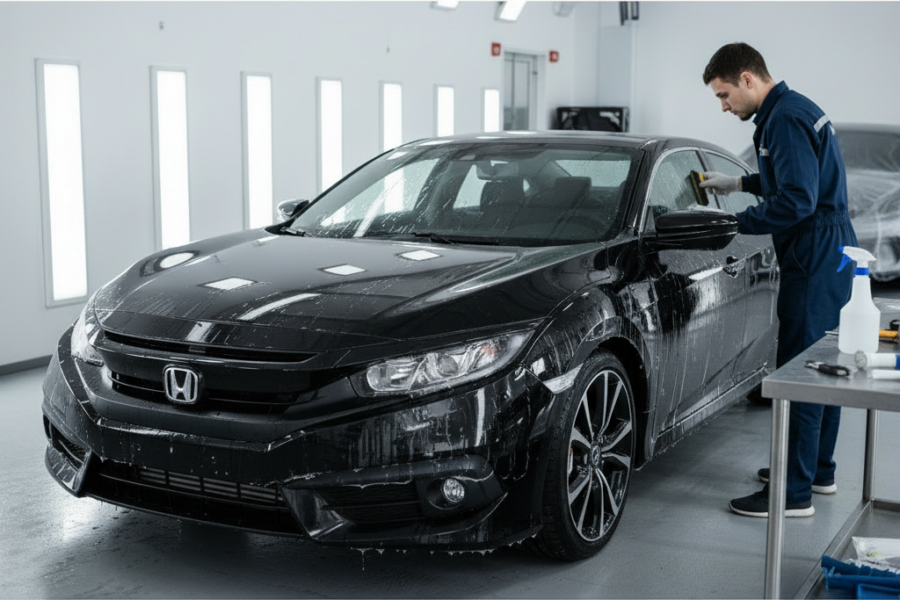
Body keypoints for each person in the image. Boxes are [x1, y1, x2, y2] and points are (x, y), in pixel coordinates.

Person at [699, 42, 858, 518]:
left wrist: (736, 223)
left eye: (725, 95)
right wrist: (740, 184)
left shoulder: (784, 119)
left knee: (802, 369)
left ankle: (793, 494)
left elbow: (797, 201)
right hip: (829, 249)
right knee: (826, 365)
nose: (724, 107)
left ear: (748, 78)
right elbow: (793, 177)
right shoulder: (791, 110)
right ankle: (818, 471)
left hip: (813, 252)